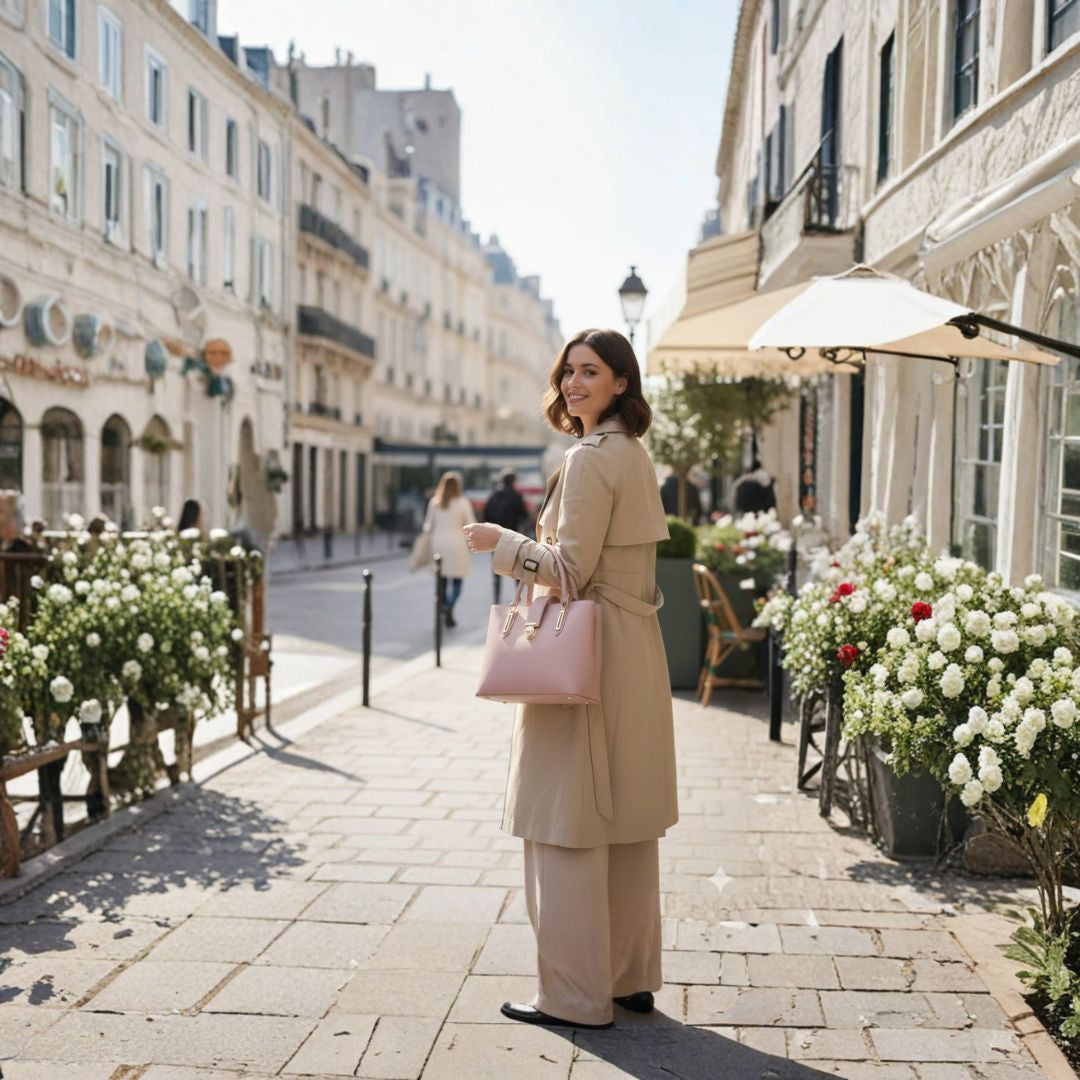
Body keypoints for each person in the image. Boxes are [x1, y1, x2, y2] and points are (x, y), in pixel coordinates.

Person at [463, 327, 676, 1030]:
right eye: (568, 371)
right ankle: (628, 977)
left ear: (622, 381)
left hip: (583, 657)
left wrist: (504, 544)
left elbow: (569, 573)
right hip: (632, 652)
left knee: (566, 823)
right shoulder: (633, 454)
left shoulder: (588, 460)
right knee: (623, 824)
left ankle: (575, 997)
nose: (574, 383)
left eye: (591, 372)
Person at [424, 471, 476, 628]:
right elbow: (471, 524)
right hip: (457, 545)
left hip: (438, 545)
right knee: (458, 580)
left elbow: (427, 526)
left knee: (442, 580)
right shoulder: (463, 503)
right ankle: (449, 606)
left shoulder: (435, 502)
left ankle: (444, 606)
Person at [482, 470, 528, 603]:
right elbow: (523, 515)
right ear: (513, 482)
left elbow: (485, 515)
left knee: (496, 570)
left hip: (495, 538)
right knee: (516, 570)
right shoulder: (516, 496)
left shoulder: (493, 495)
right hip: (512, 537)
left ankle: (496, 598)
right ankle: (517, 598)